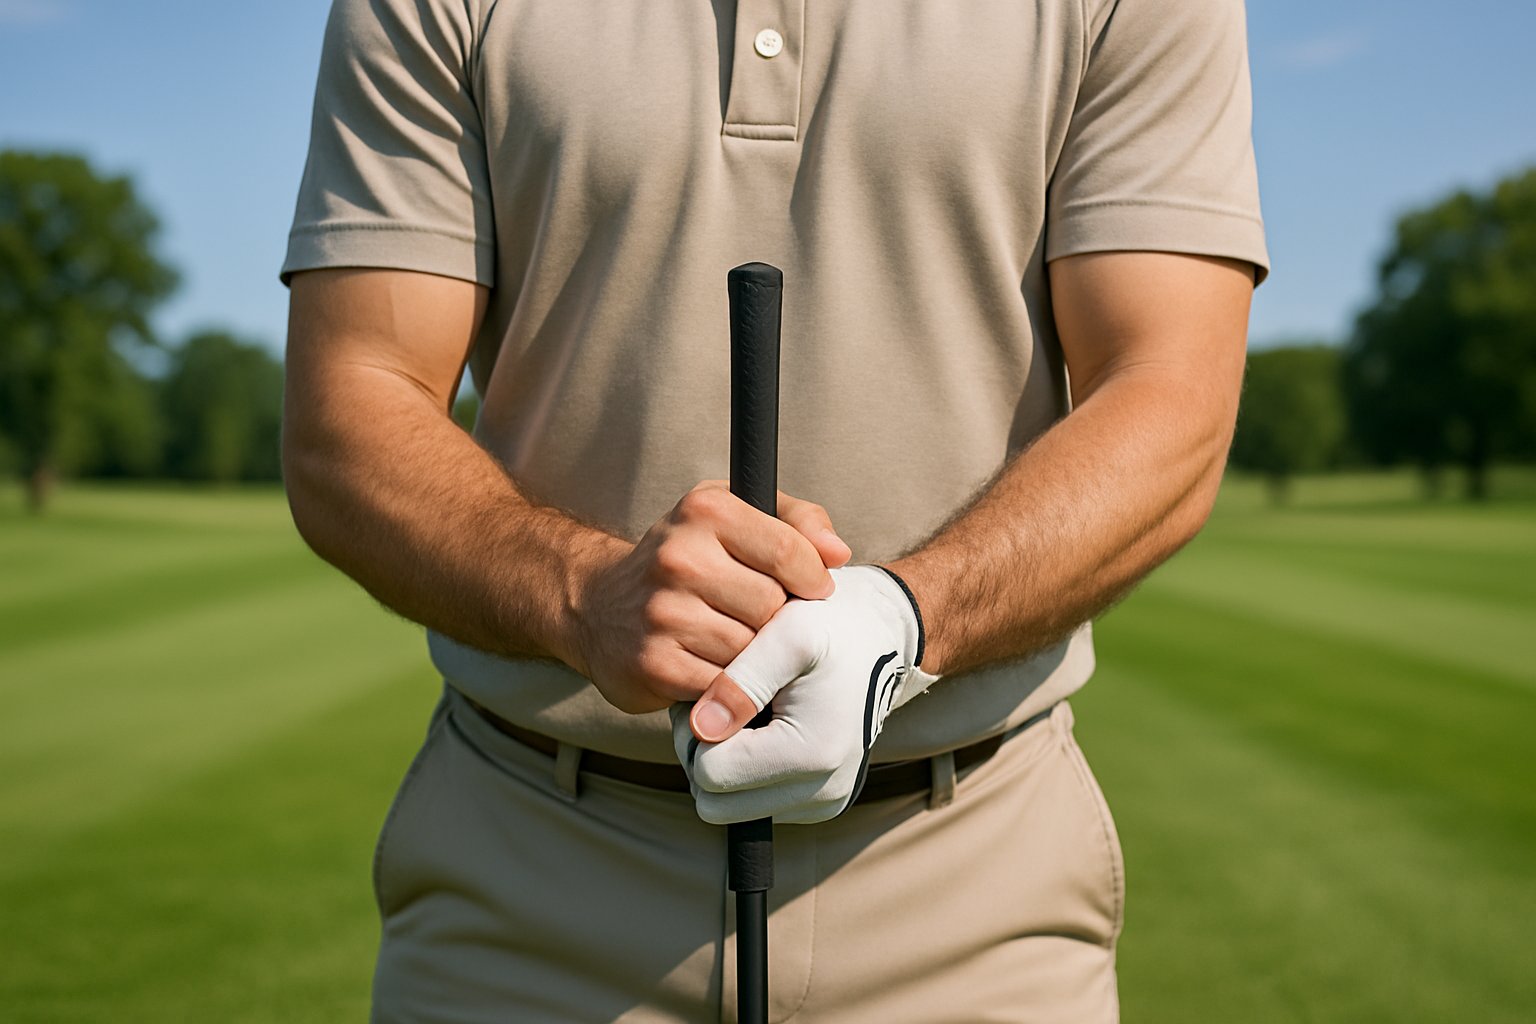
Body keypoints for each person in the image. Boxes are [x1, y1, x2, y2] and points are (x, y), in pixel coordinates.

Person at [281, 0, 1268, 1020]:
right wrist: (584, 596)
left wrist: (901, 618)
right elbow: (351, 407)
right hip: (532, 873)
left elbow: (1169, 394)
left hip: (967, 880)